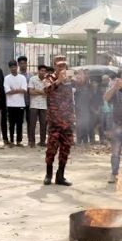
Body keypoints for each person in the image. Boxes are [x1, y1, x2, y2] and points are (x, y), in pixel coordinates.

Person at [43, 56, 76, 186]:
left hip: (67, 120)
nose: (62, 68)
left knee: (65, 149)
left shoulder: (70, 78)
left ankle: (60, 175)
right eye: (59, 65)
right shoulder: (49, 78)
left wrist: (81, 78)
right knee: (51, 149)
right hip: (55, 121)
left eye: (64, 65)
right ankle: (48, 174)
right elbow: (46, 90)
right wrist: (59, 81)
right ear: (55, 66)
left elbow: (82, 84)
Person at [4, 59, 27, 147]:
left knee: (20, 124)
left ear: (17, 67)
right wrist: (18, 90)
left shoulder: (22, 77)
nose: (13, 68)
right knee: (11, 124)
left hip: (20, 104)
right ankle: (12, 141)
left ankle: (19, 141)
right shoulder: (7, 78)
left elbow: (24, 90)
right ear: (9, 68)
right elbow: (7, 91)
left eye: (15, 66)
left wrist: (13, 90)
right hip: (10, 104)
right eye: (11, 67)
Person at [27, 64, 49, 147]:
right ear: (38, 71)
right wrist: (41, 92)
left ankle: (42, 141)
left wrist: (36, 91)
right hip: (34, 105)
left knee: (43, 124)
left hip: (44, 105)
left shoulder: (47, 80)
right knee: (32, 124)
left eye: (44, 71)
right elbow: (30, 92)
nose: (43, 72)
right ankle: (32, 142)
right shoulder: (33, 79)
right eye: (41, 70)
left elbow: (48, 92)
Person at [73, 70, 94, 145]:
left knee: (85, 123)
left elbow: (92, 96)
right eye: (78, 75)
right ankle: (79, 140)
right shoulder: (74, 84)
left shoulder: (89, 85)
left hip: (86, 107)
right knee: (78, 124)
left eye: (81, 75)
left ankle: (85, 140)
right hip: (77, 106)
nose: (80, 77)